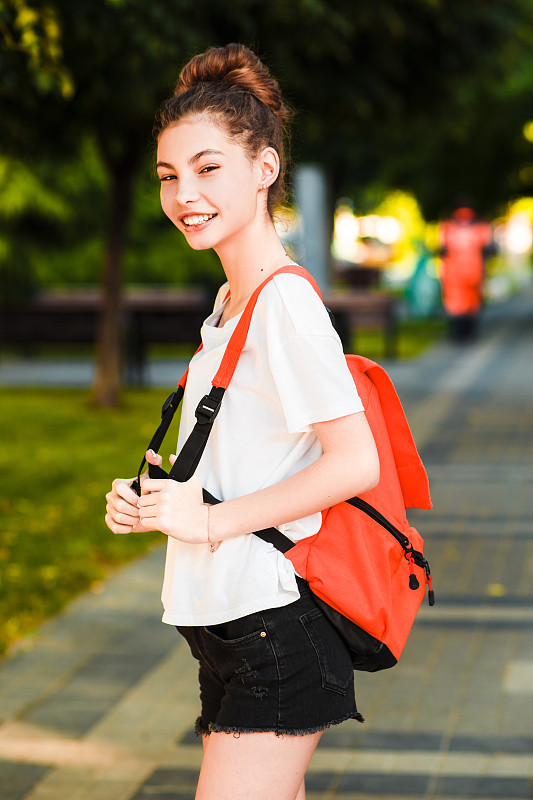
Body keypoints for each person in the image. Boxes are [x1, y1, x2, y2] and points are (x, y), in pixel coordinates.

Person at [105, 43, 380, 800]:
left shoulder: (283, 303)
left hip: (274, 626)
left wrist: (208, 522)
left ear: (264, 169)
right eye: (169, 176)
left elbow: (354, 463)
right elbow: (245, 461)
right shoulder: (231, 305)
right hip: (225, 623)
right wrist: (158, 496)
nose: (183, 193)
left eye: (207, 168)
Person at [439, 205, 493, 342]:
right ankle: (467, 333)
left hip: (456, 274)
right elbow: (488, 249)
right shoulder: (480, 227)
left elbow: (442, 249)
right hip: (471, 272)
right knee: (469, 304)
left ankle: (459, 333)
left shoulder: (449, 227)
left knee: (458, 305)